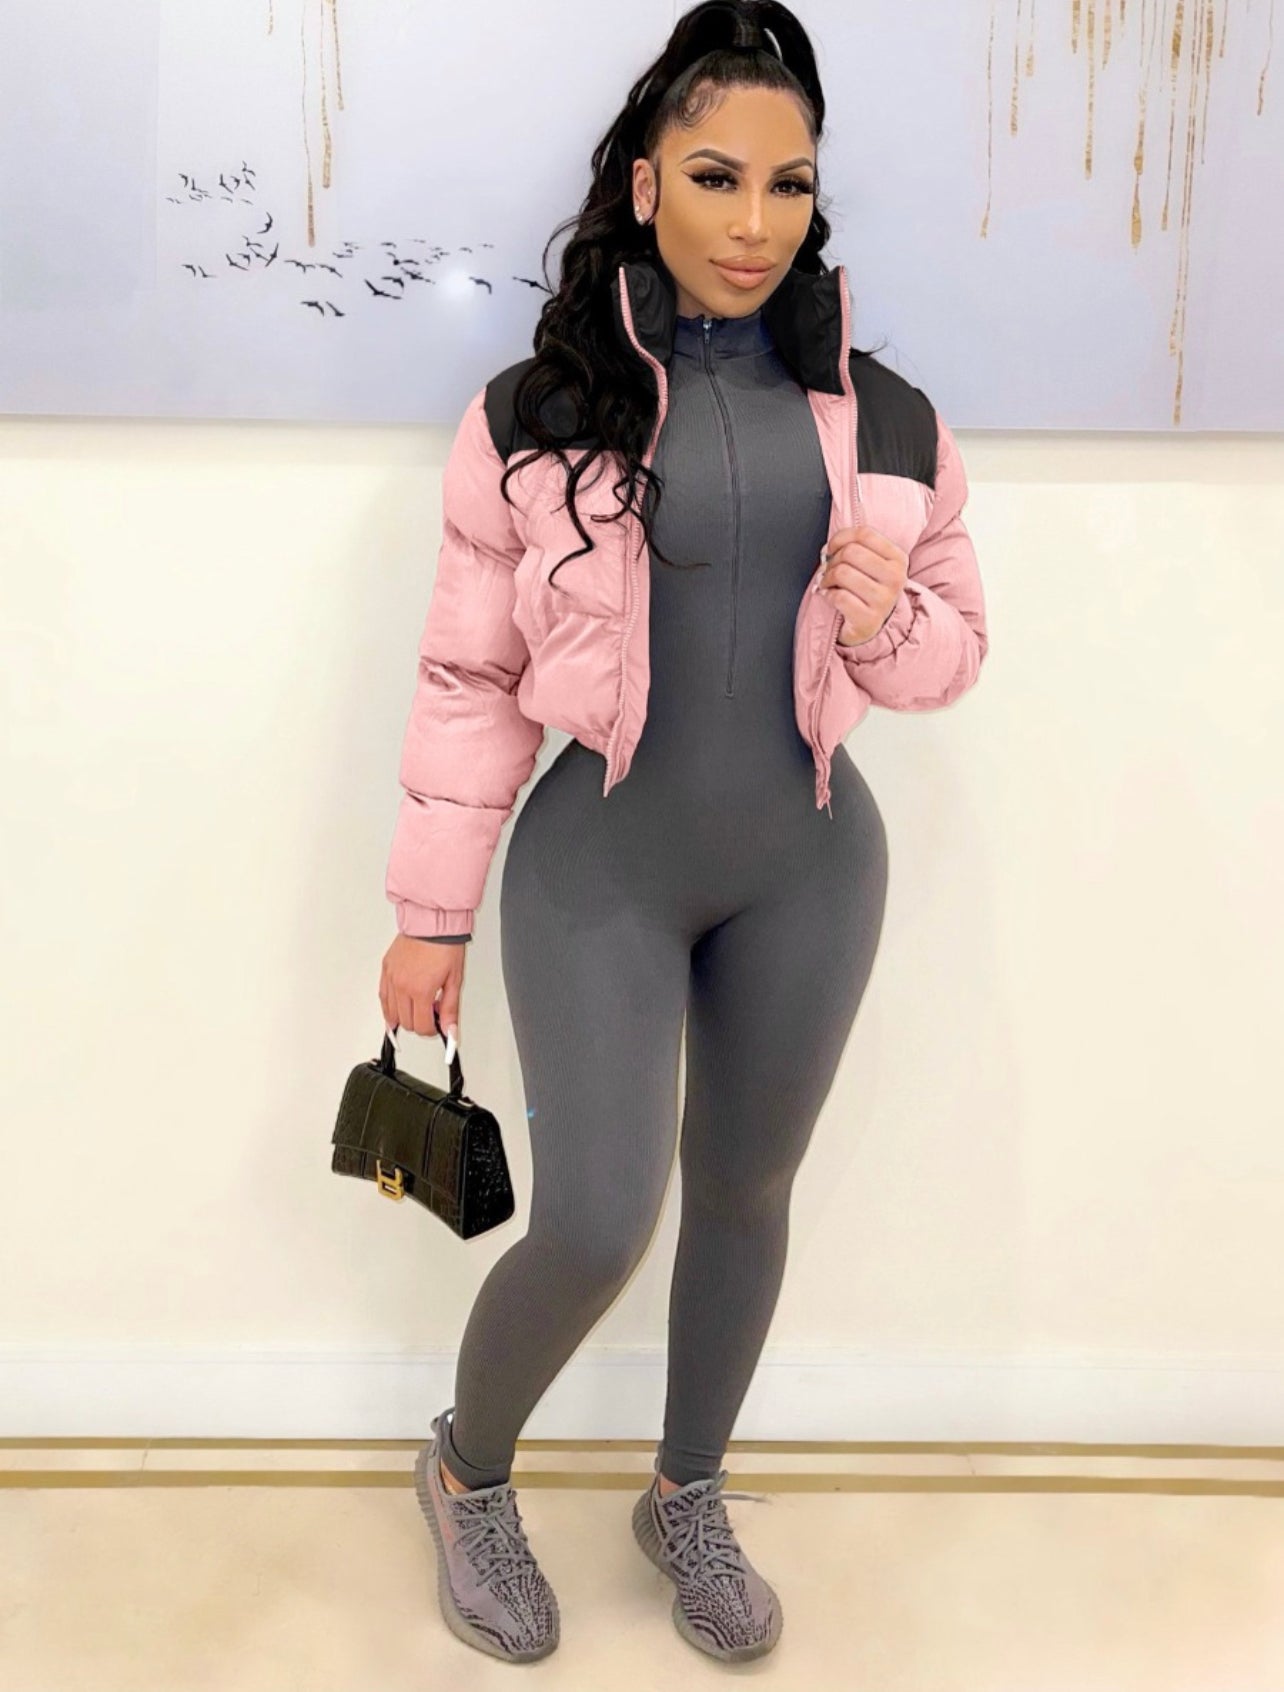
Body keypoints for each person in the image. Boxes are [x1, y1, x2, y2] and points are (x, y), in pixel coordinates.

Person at [380, 0, 988, 1665]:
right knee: (594, 1216)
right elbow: (469, 679)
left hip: (810, 860)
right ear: (645, 184)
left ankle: (687, 1490)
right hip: (603, 867)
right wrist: (430, 914)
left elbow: (952, 655)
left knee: (746, 1186)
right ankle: (467, 1471)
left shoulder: (891, 418)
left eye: (790, 185)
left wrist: (880, 618)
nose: (753, 221)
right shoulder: (534, 412)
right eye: (717, 177)